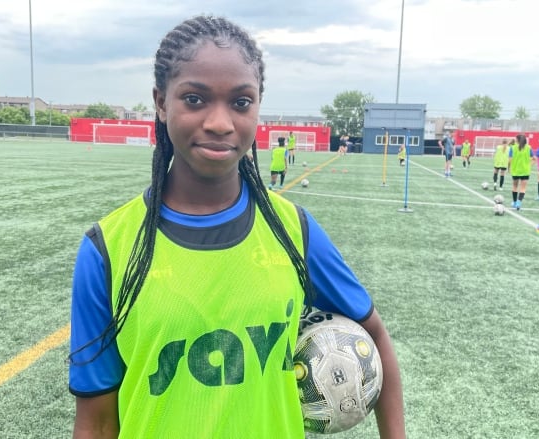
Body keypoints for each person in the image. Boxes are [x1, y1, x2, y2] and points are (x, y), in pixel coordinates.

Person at [68, 15, 406, 439]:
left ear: (258, 106)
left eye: (241, 102)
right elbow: (97, 423)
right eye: (194, 99)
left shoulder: (293, 231)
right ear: (160, 102)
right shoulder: (108, 249)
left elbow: (373, 332)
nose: (220, 122)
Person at [508, 134, 532, 210]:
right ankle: (519, 202)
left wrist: (508, 168)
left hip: (515, 170)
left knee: (515, 186)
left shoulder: (513, 148)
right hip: (525, 171)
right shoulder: (528, 148)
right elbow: (534, 158)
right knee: (523, 188)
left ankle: (515, 202)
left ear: (517, 140)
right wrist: (529, 165)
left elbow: (510, 160)